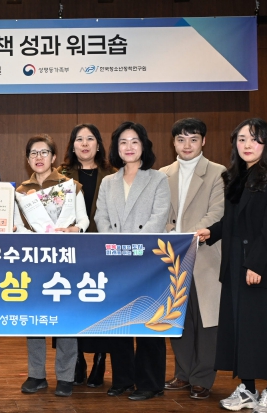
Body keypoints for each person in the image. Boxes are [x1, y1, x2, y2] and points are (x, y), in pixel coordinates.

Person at [196, 118, 267, 413]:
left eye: (255, 139)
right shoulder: (235, 177)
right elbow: (232, 221)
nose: (247, 145)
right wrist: (211, 232)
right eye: (242, 139)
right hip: (234, 266)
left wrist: (256, 264)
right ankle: (247, 389)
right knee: (241, 331)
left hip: (262, 268)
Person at [94, 121, 170, 401]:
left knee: (149, 321)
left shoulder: (158, 179)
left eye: (134, 141)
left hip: (148, 261)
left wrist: (133, 248)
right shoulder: (108, 182)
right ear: (116, 148)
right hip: (116, 261)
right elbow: (100, 217)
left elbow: (159, 217)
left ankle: (150, 383)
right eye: (123, 142)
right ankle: (123, 379)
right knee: (120, 321)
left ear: (144, 146)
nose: (128, 147)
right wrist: (117, 247)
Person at [15, 134, 88, 397]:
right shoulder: (20, 191)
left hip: (65, 259)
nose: (39, 157)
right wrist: (34, 236)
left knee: (65, 317)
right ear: (27, 159)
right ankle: (36, 375)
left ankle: (66, 377)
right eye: (33, 153)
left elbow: (84, 221)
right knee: (34, 319)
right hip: (34, 260)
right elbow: (17, 226)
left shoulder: (71, 186)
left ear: (54, 157)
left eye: (44, 152)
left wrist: (74, 229)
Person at [160, 118, 225, 400]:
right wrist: (171, 236)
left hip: (205, 255)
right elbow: (159, 213)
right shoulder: (162, 174)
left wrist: (186, 237)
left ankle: (202, 377)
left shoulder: (218, 172)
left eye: (193, 139)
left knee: (207, 321)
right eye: (181, 139)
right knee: (178, 318)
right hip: (173, 258)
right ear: (173, 142)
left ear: (203, 141)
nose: (187, 145)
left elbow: (217, 212)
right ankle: (183, 373)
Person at [59, 123, 116, 388]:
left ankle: (101, 359)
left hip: (103, 251)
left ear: (99, 144)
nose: (84, 144)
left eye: (90, 139)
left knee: (101, 305)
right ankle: (77, 359)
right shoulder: (60, 175)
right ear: (72, 146)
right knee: (71, 306)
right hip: (71, 251)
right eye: (79, 139)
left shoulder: (113, 174)